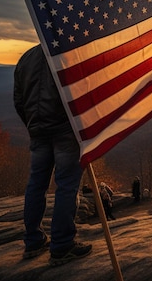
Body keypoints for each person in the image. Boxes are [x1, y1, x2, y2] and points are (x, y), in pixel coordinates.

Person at [14, 44, 91, 265]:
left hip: (37, 130)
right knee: (67, 185)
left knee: (36, 184)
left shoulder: (26, 58)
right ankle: (62, 245)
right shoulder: (67, 53)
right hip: (65, 130)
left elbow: (19, 100)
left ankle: (33, 241)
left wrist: (32, 124)